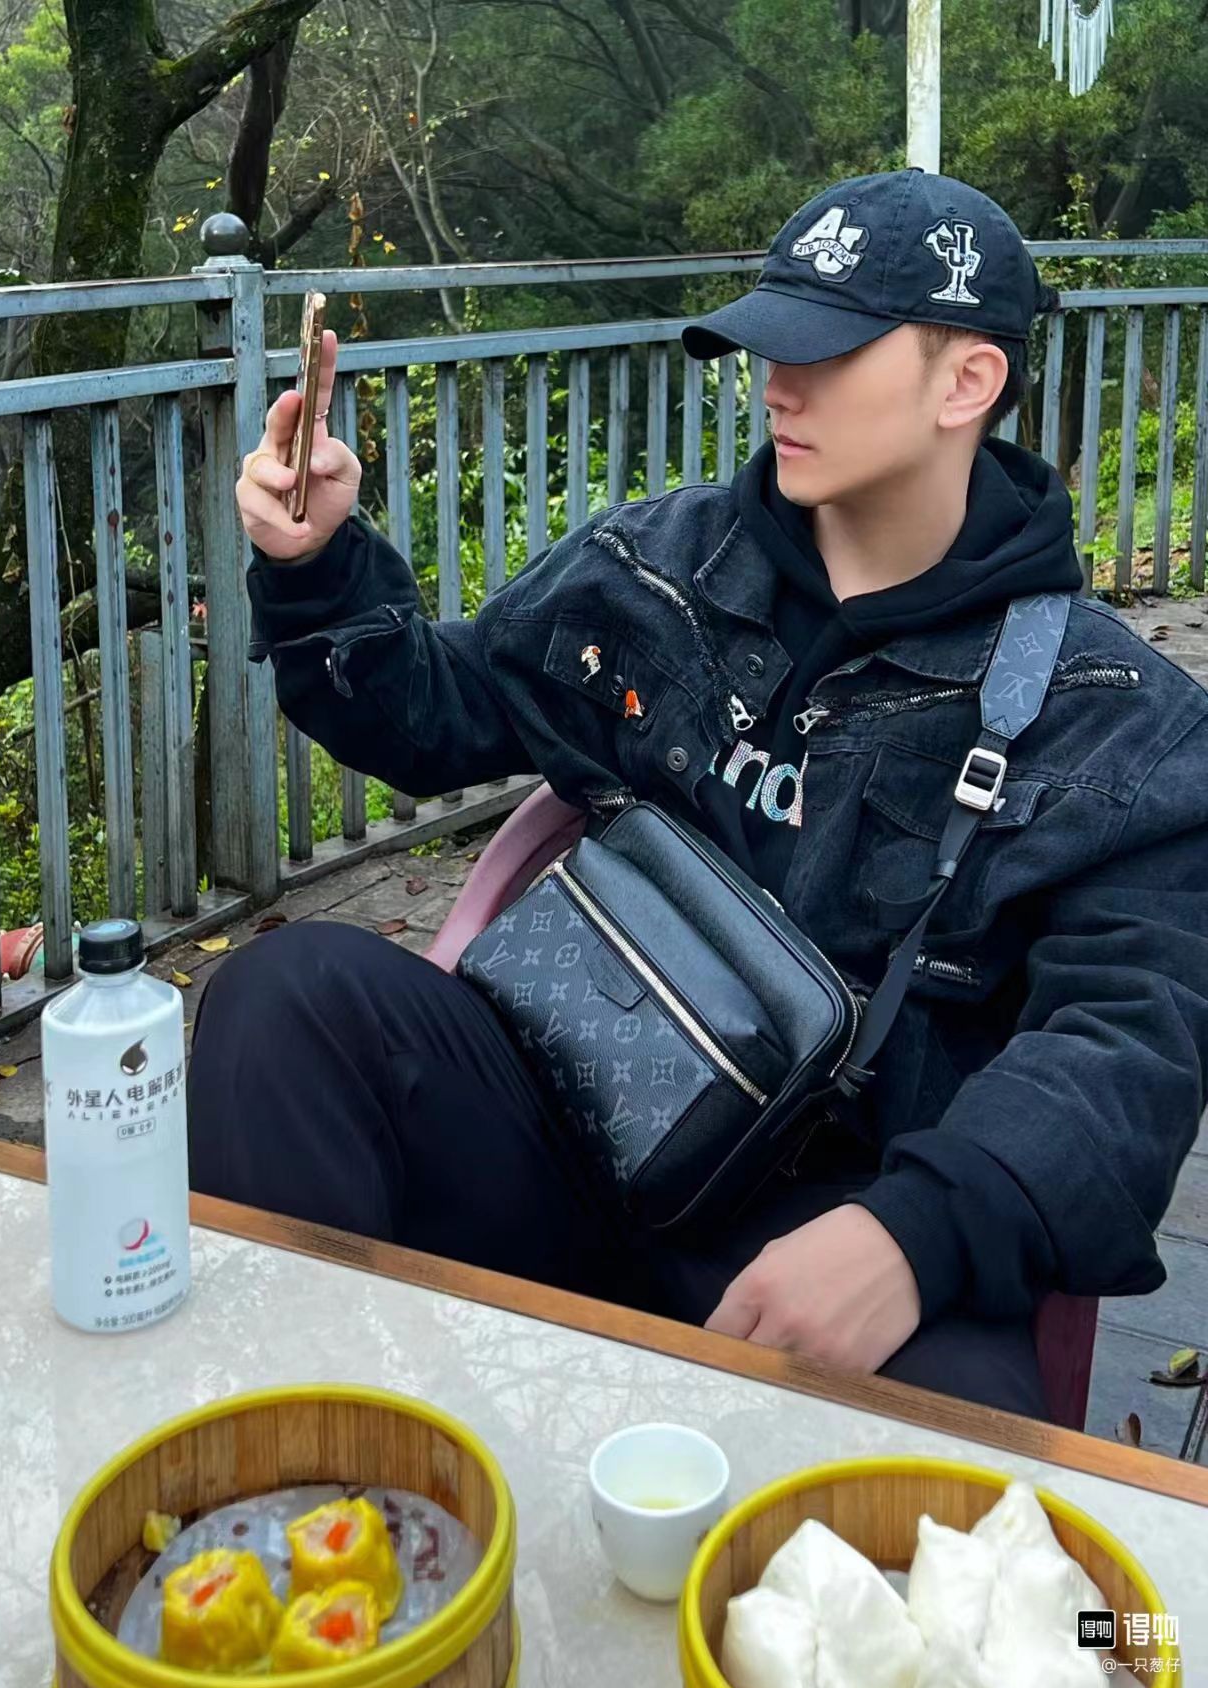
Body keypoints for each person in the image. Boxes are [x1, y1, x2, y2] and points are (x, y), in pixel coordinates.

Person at [188, 169, 1208, 1421]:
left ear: (966, 382)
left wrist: (913, 1236)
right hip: (562, 1124)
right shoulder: (656, 568)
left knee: (953, 1454)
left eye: (828, 353)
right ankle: (296, 1468)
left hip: (835, 1219)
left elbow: (1129, 1045)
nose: (777, 386)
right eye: (770, 345)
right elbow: (435, 710)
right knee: (290, 994)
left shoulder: (1115, 723)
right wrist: (317, 565)